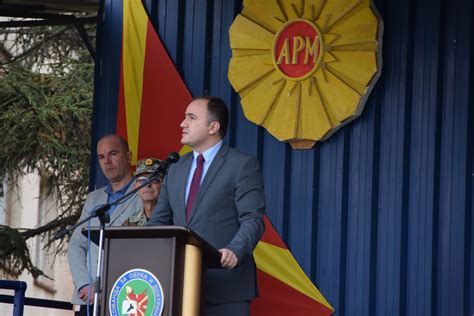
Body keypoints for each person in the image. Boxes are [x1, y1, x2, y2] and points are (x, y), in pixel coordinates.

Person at [149, 96, 266, 315]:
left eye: (191, 118)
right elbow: (159, 222)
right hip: (178, 286)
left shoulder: (241, 165)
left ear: (213, 126)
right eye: (185, 117)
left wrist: (234, 250)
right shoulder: (175, 168)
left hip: (226, 289)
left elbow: (253, 219)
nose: (182, 124)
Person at [67, 134, 142, 315]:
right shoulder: (94, 198)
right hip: (89, 298)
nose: (106, 161)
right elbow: (76, 244)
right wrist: (85, 284)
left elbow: (141, 250)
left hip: (127, 295)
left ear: (129, 156)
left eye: (113, 153)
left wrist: (106, 286)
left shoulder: (143, 192)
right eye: (101, 157)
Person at [123, 158, 163, 226]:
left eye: (154, 180)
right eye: (142, 180)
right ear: (135, 186)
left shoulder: (175, 220)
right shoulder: (129, 224)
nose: (147, 185)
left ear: (164, 185)